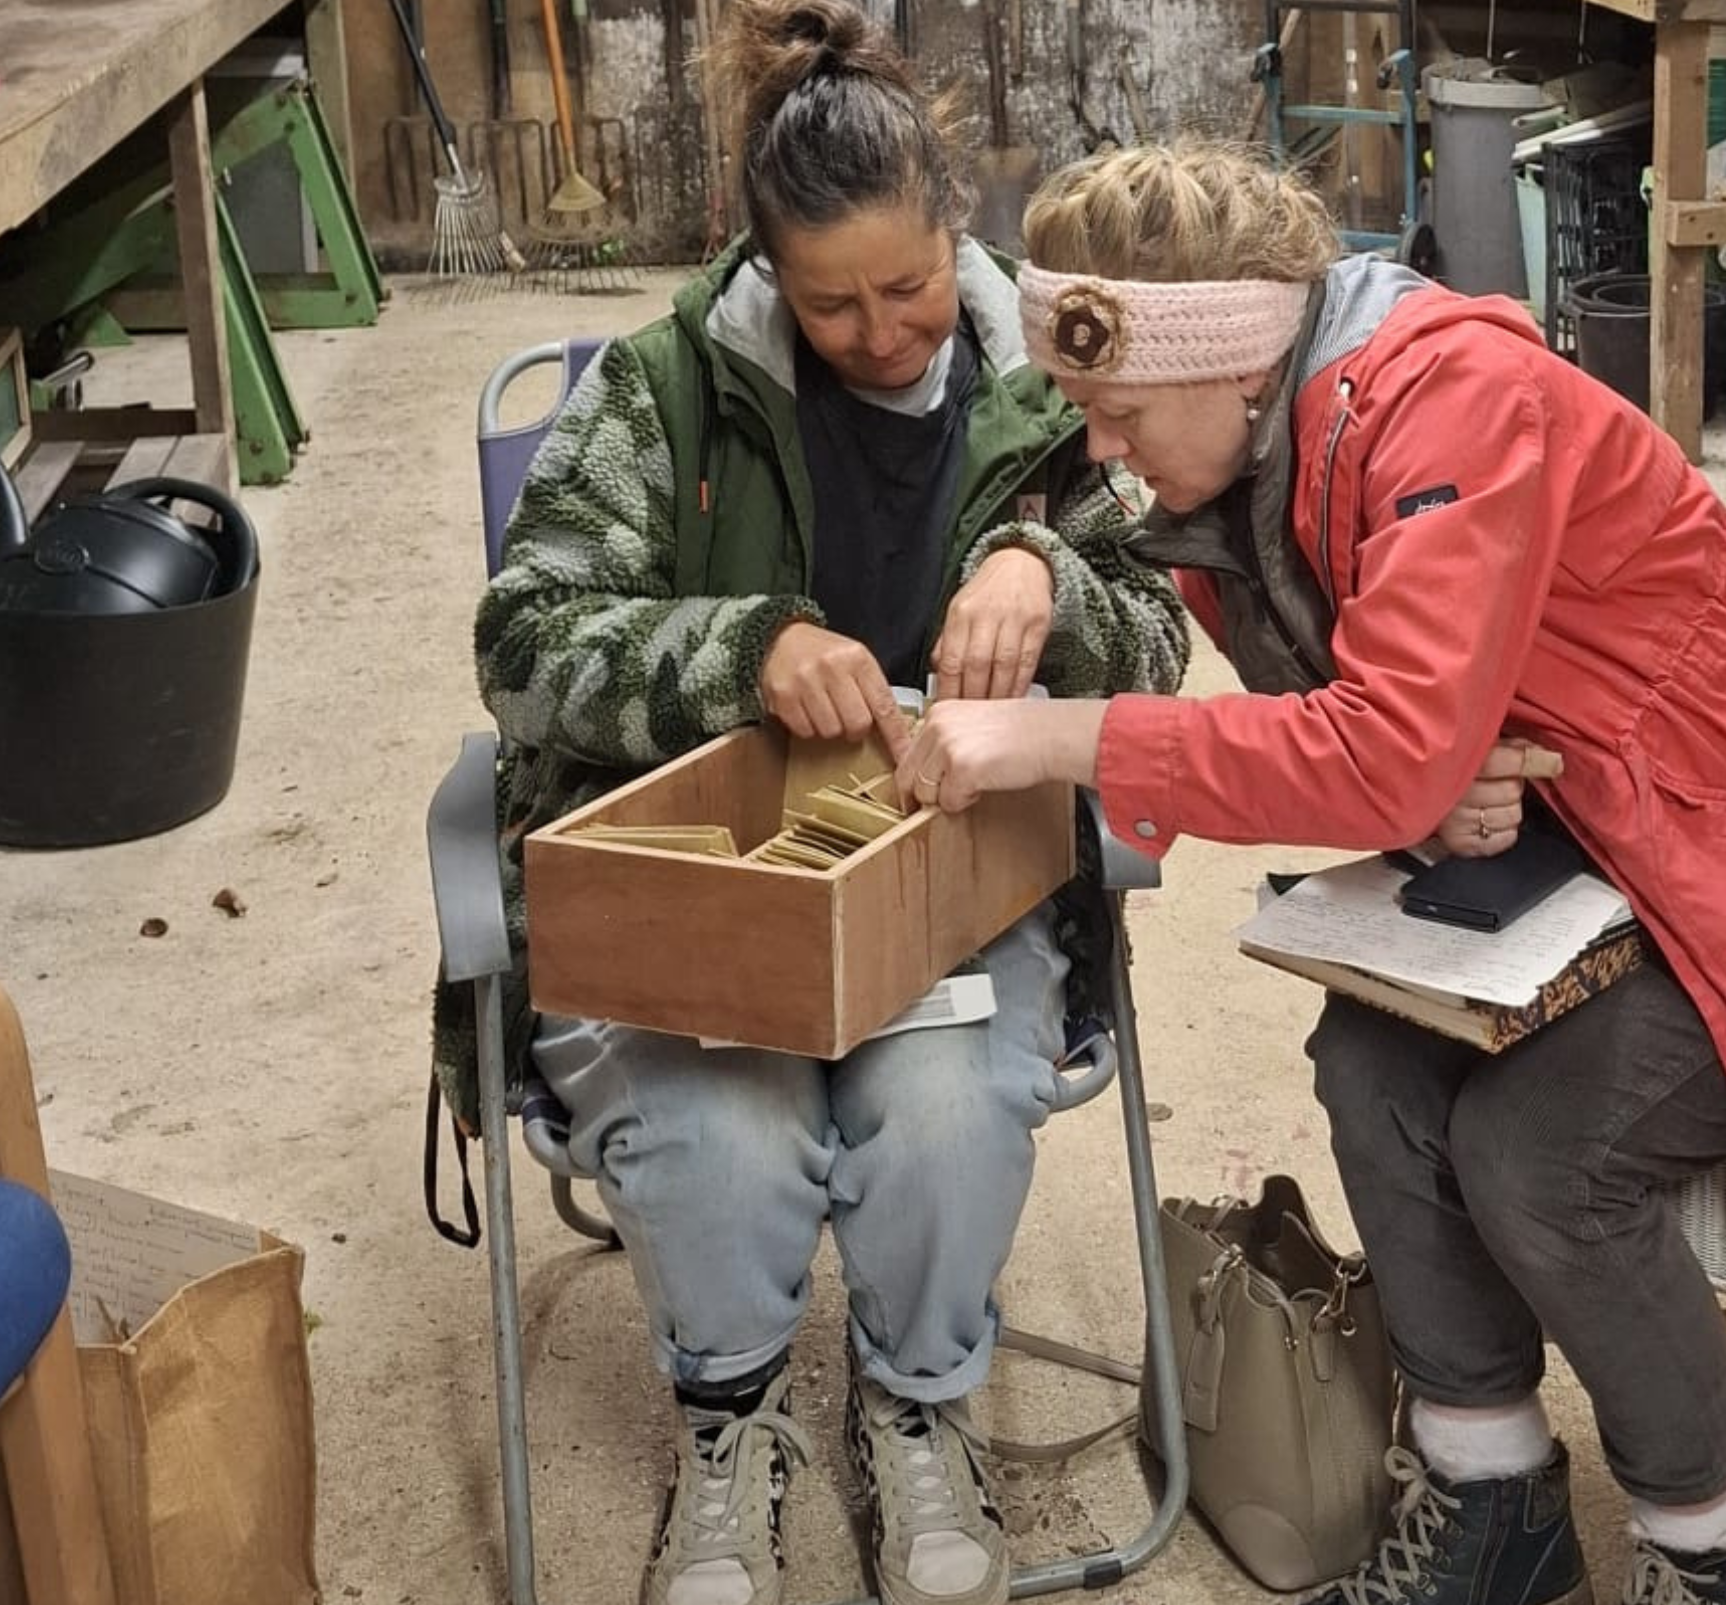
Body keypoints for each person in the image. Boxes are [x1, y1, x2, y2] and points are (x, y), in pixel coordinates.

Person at [890, 143, 1726, 1605]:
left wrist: (1065, 736)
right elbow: (1384, 741)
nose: (1100, 453)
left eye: (1116, 414)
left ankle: (1704, 1544)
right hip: (1610, 831)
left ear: (1229, 367)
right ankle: (1494, 1502)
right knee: (1369, 1067)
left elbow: (1376, 746)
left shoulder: (1447, 405)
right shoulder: (1258, 443)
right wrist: (1424, 770)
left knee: (1542, 1160)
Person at [465, 8, 1189, 1604]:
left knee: (938, 1115)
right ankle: (729, 1424)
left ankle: (915, 1410)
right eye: (829, 303)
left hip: (957, 884)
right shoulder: (663, 389)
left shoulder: (1056, 394)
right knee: (724, 1132)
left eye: (911, 288)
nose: (880, 336)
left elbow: (1163, 640)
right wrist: (743, 648)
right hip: (698, 897)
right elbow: (520, 646)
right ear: (761, 271)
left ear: (957, 223)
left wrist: (1048, 571)